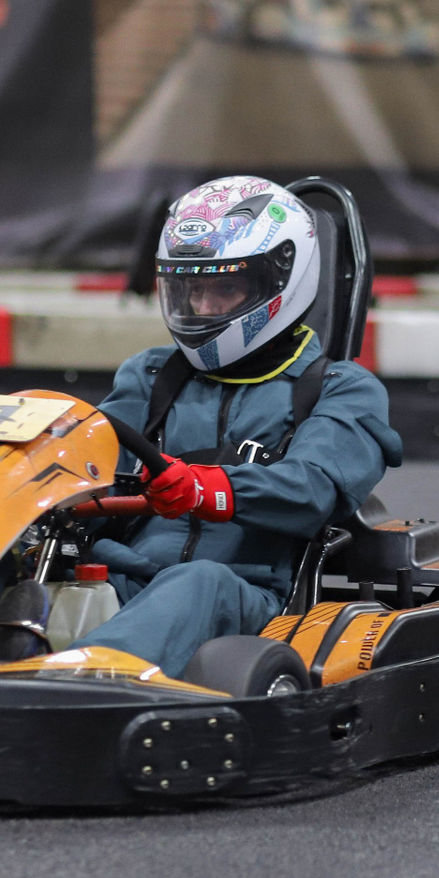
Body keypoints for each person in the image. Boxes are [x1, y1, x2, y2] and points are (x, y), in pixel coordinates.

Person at [64, 175, 403, 677]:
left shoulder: (339, 388)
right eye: (192, 290)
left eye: (225, 287)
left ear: (280, 282)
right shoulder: (150, 376)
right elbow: (89, 473)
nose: (204, 308)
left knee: (195, 581)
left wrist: (210, 489)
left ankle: (75, 686)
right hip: (119, 577)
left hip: (243, 593)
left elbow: (314, 491)